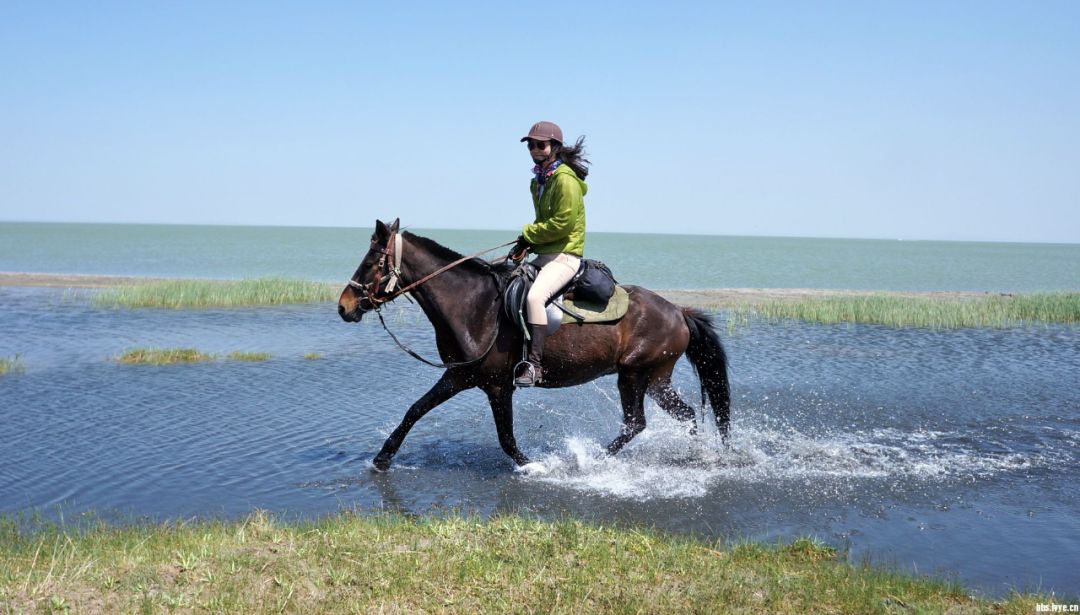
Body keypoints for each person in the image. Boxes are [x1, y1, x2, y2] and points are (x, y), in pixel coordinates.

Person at [512, 120, 590, 387]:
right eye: (531, 145)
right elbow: (545, 224)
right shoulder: (539, 182)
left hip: (565, 257)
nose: (534, 149)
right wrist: (526, 244)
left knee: (535, 298)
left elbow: (562, 224)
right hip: (546, 254)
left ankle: (534, 366)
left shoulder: (565, 180)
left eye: (540, 145)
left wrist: (528, 235)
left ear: (554, 147)